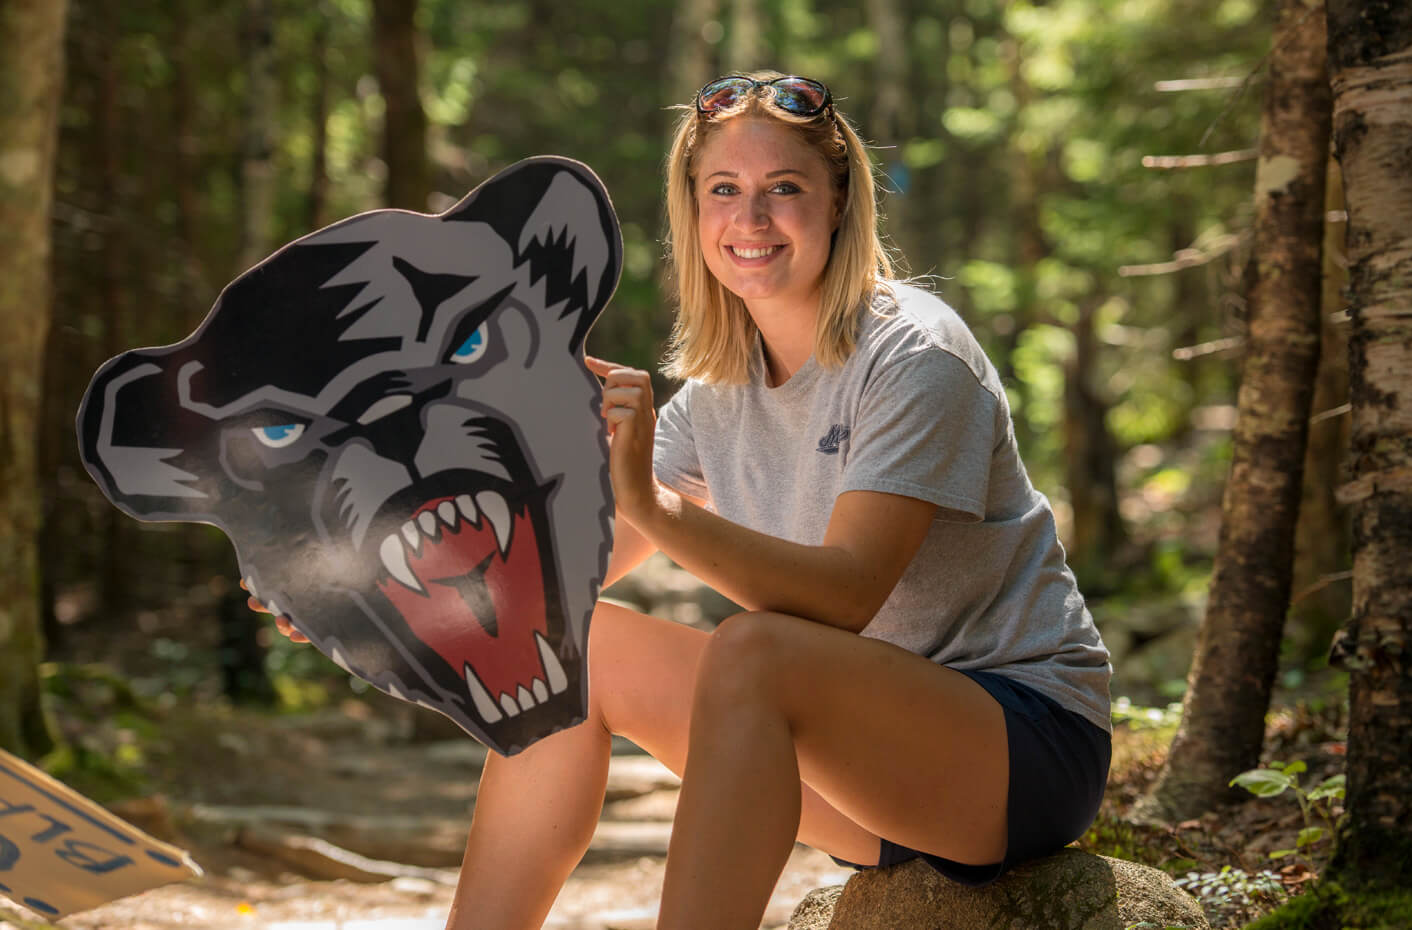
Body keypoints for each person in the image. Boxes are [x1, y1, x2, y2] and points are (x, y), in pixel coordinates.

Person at [255, 71, 1113, 930]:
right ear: (693, 212)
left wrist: (661, 509)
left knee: (755, 653)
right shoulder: (717, 393)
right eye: (724, 191)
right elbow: (548, 583)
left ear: (841, 202)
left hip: (1017, 751)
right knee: (574, 651)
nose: (751, 220)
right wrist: (358, 593)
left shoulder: (915, 356)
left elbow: (847, 596)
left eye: (785, 189)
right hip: (865, 783)